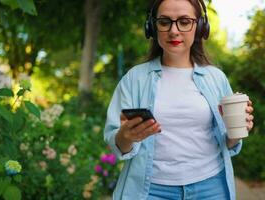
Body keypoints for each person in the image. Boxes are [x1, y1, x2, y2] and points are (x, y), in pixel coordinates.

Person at [103, 0, 254, 199]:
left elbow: (228, 143)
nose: (174, 31)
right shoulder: (134, 79)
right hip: (151, 191)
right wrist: (127, 136)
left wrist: (238, 129)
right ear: (152, 27)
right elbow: (117, 143)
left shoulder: (216, 78)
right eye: (165, 22)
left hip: (211, 188)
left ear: (200, 27)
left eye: (184, 21)